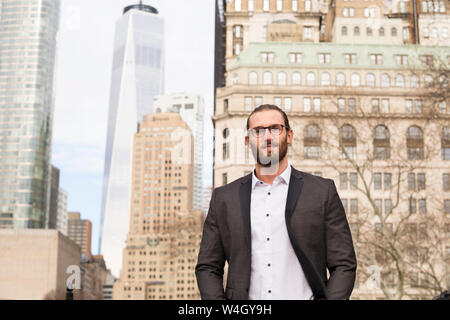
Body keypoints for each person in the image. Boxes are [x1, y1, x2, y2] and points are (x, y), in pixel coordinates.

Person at [195, 104, 357, 300]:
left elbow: (344, 264)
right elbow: (208, 267)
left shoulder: (322, 192)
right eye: (258, 131)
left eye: (275, 128)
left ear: (289, 135)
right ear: (248, 140)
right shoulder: (223, 198)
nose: (267, 137)